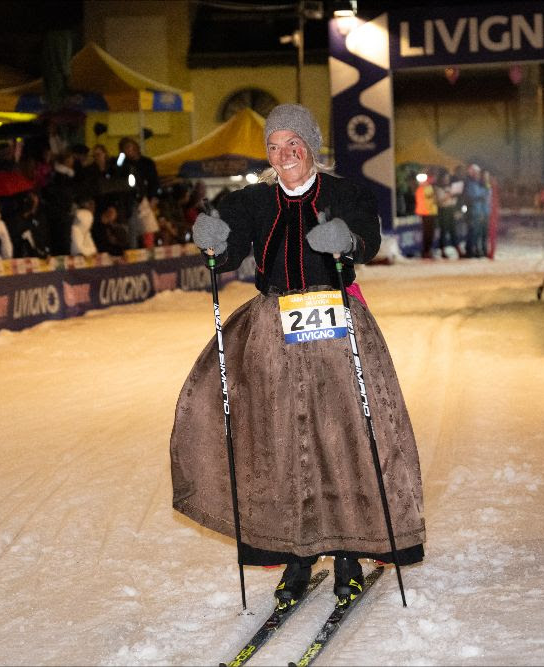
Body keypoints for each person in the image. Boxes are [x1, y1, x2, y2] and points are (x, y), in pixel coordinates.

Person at [170, 103, 424, 608]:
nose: (283, 154)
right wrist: (213, 244)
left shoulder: (345, 193)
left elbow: (367, 239)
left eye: (294, 144)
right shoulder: (253, 200)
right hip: (274, 327)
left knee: (347, 435)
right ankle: (297, 556)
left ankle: (350, 553)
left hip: (336, 324)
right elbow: (227, 245)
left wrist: (345, 242)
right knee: (279, 440)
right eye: (274, 145)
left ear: (312, 148)